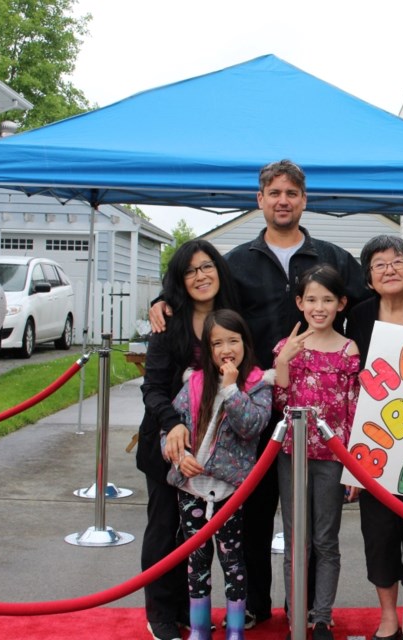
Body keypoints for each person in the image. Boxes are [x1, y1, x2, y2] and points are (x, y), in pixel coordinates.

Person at [149, 160, 368, 629]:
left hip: (311, 412)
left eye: (292, 192)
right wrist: (163, 298)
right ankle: (252, 604)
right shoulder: (237, 261)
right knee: (249, 509)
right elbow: (201, 296)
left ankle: (307, 609)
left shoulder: (330, 255)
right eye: (274, 193)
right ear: (260, 200)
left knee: (307, 523)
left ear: (304, 200)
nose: (283, 200)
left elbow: (369, 302)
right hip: (248, 403)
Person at [138, 239, 239, 640]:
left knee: (199, 535)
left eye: (207, 267)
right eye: (191, 270)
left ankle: (187, 608)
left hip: (219, 451)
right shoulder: (168, 323)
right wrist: (172, 425)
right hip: (169, 446)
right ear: (180, 280)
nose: (201, 276)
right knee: (165, 528)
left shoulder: (232, 319)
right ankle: (161, 612)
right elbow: (153, 387)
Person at [164, 309, 274, 640]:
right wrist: (179, 458)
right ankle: (199, 628)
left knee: (233, 561)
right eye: (217, 343)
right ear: (208, 350)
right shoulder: (193, 384)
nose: (226, 349)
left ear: (245, 343)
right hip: (191, 488)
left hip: (230, 491)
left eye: (233, 340)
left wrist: (231, 389)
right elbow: (171, 432)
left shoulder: (258, 384)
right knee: (196, 559)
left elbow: (251, 426)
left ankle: (236, 629)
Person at [272, 265, 362, 640]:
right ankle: (295, 609)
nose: (319, 307)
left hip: (331, 458)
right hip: (292, 455)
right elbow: (278, 403)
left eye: (327, 299)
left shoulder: (348, 349)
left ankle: (322, 615)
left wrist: (354, 467)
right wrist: (282, 363)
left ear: (341, 303)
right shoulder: (287, 347)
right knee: (296, 538)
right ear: (299, 303)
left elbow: (354, 407)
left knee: (326, 538)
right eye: (311, 299)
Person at [345, 235, 403, 640]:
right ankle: (388, 615)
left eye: (397, 261)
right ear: (369, 277)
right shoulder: (359, 316)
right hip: (376, 441)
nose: (390, 269)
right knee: (378, 533)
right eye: (379, 264)